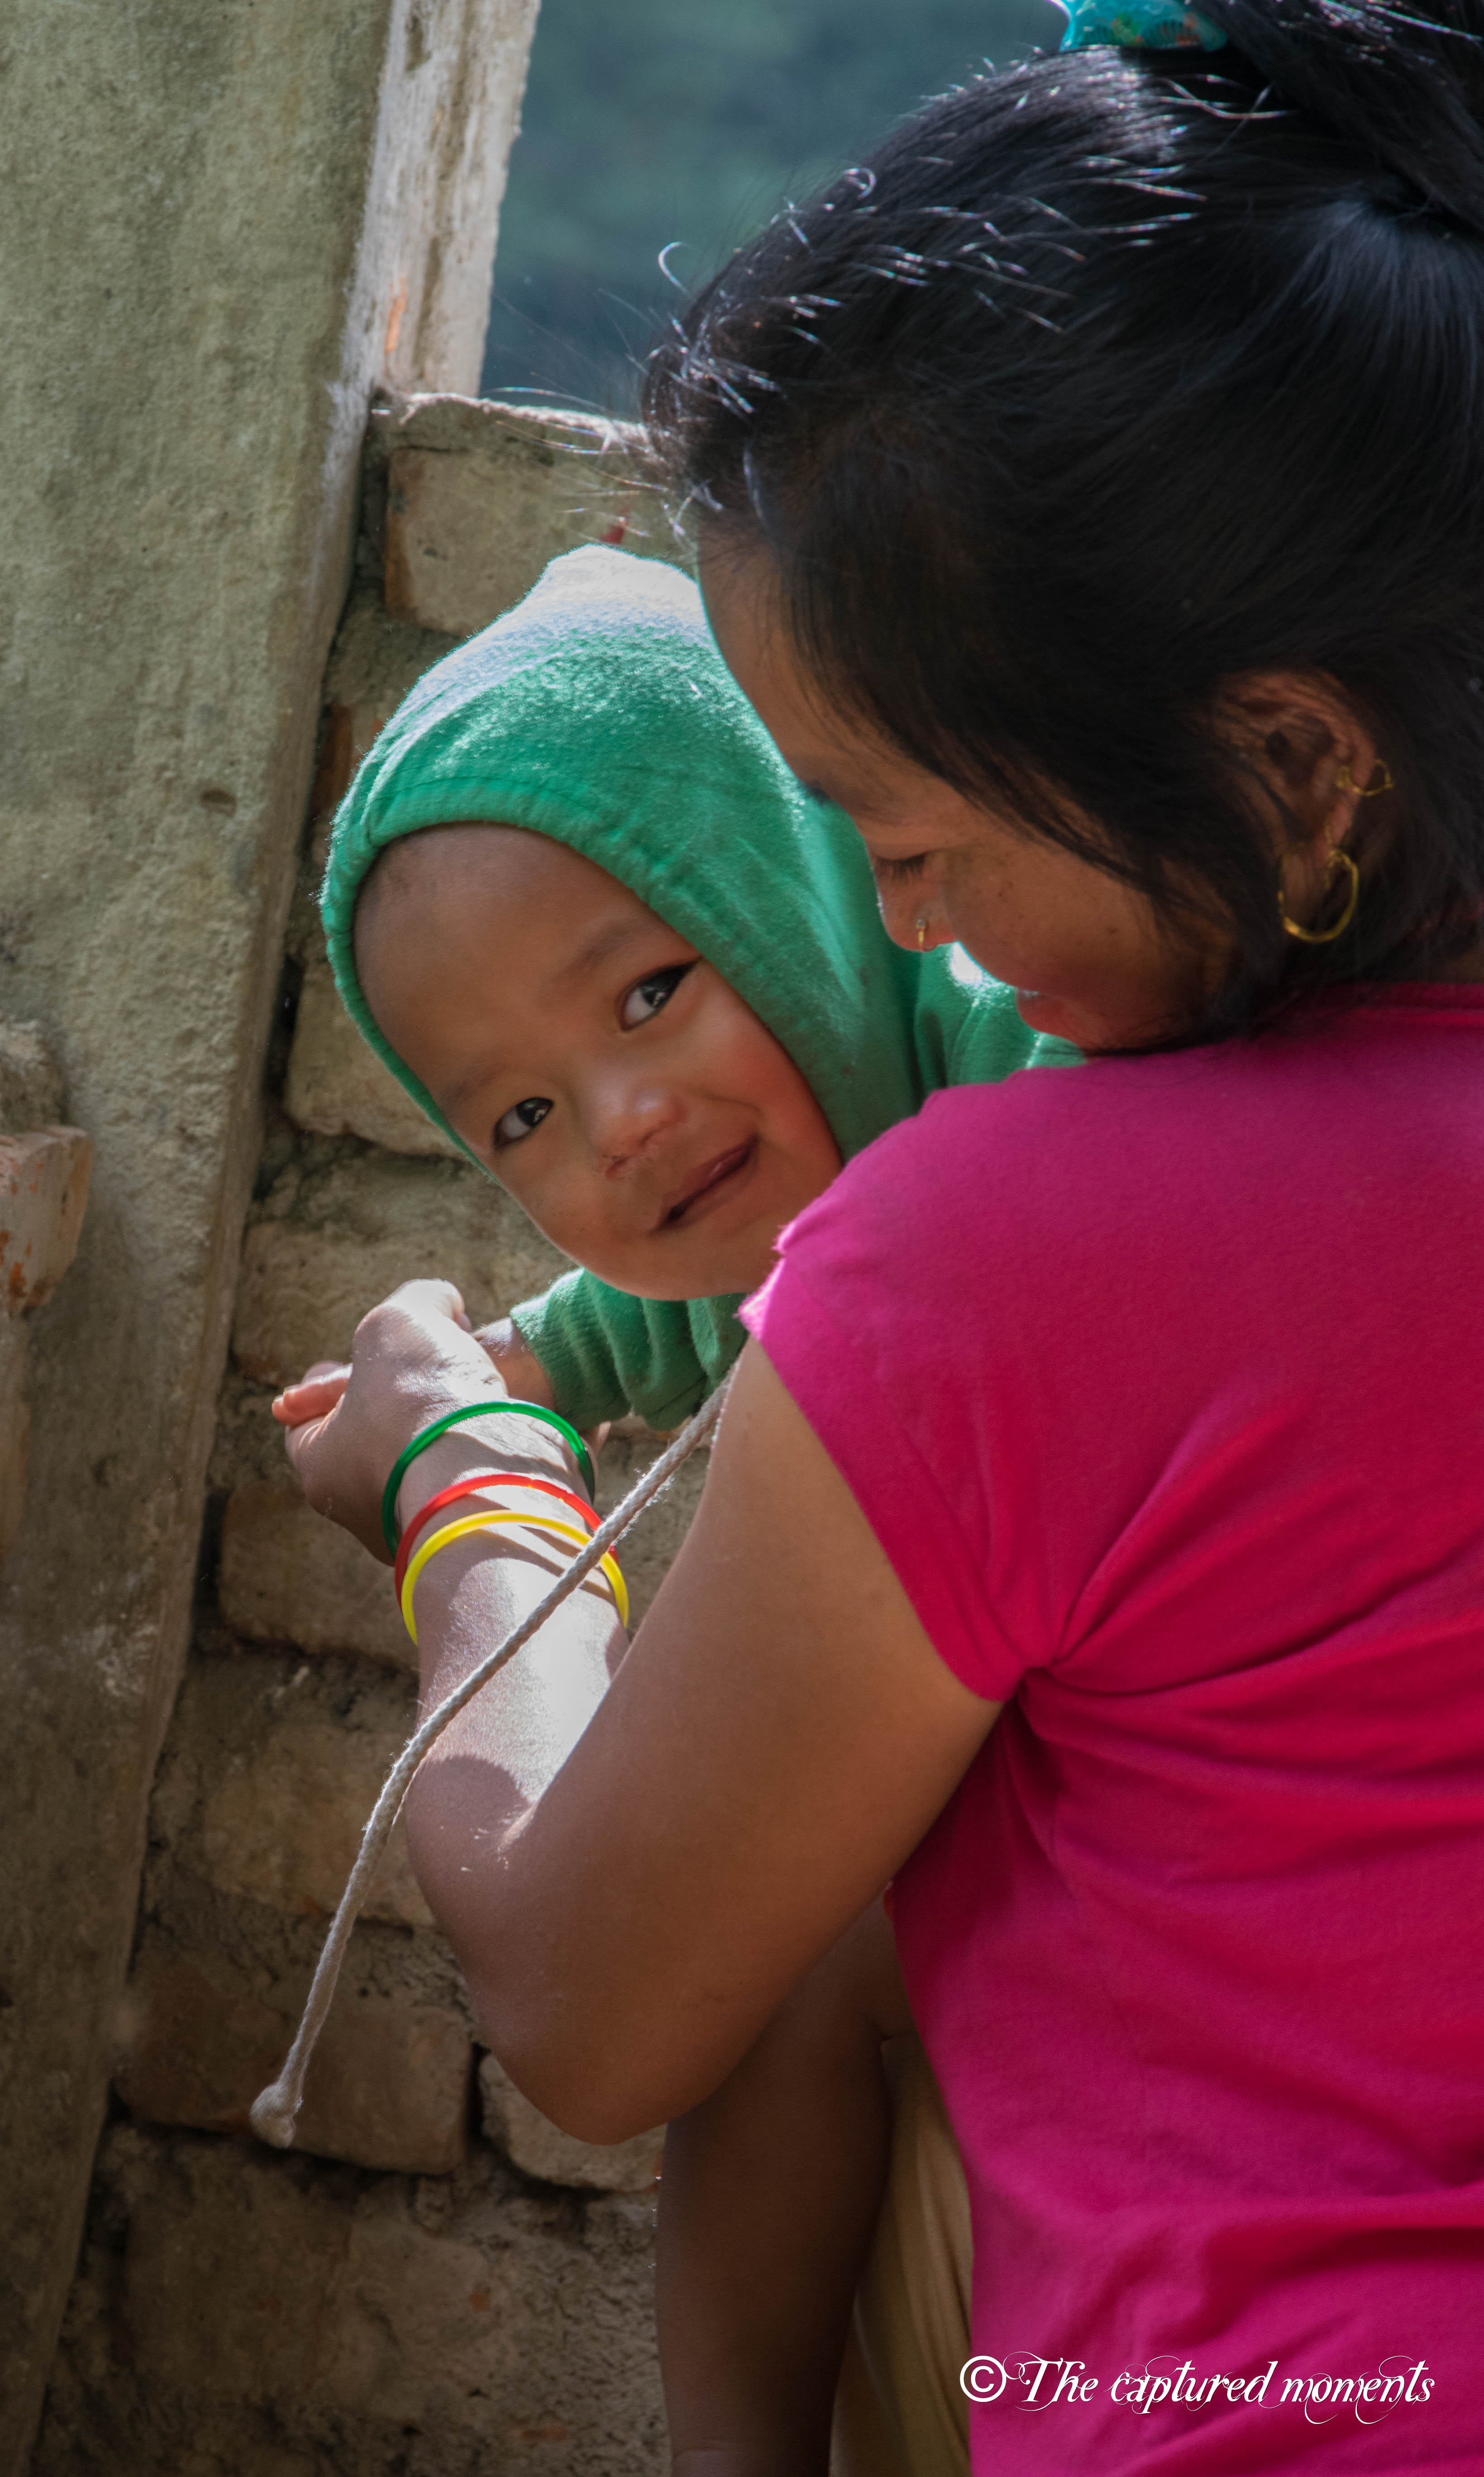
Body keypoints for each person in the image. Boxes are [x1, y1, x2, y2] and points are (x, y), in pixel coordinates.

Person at [280, 1, 1484, 2469]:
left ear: (1287, 763)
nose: (914, 919)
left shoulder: (1014, 1236)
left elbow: (603, 2012)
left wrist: (462, 1484)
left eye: (917, 831)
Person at [274, 539, 1071, 2473]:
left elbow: (588, 2017)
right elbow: (599, 1338)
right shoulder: (744, 1238)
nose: (618, 1123)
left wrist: (461, 1482)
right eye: (520, 1117)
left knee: (779, 1946)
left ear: (822, 884)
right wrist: (472, 1387)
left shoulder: (1009, 1091)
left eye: (649, 989)